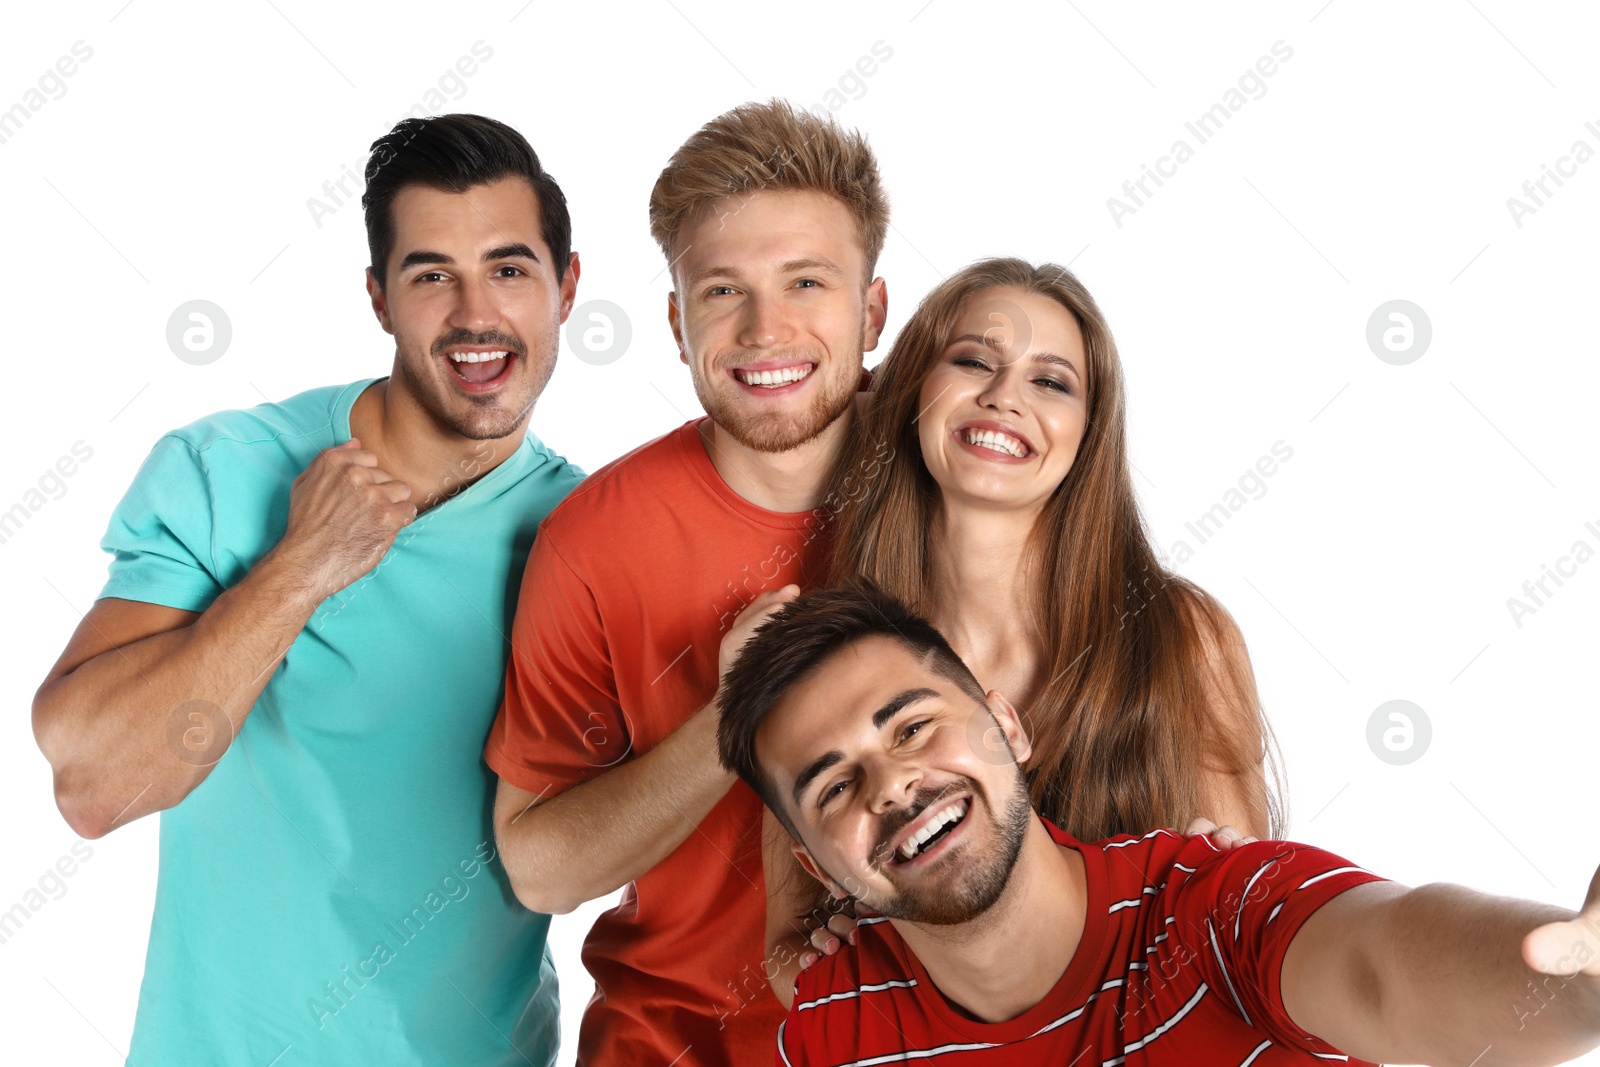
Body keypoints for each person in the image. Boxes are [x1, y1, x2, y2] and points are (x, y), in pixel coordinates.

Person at [31, 114, 582, 1065]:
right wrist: (299, 567)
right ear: (378, 298)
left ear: (566, 287)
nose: (474, 315)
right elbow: (95, 784)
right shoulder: (227, 469)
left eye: (509, 268)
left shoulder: (592, 535)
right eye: (429, 275)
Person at [718, 582, 1600, 1066]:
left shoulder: (1211, 908)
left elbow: (1386, 970)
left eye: (912, 727)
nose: (894, 783)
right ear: (818, 865)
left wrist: (1582, 981)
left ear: (1007, 725)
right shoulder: (839, 1025)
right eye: (836, 786)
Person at [482, 99, 889, 1065]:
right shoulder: (596, 539)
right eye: (720, 291)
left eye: (806, 282)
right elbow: (538, 867)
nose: (766, 329)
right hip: (674, 1043)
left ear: (871, 311)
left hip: (926, 1038)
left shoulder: (961, 489)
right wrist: (728, 722)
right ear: (675, 320)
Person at [765, 257, 1280, 995]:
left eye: (1051, 381)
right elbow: (785, 956)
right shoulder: (828, 661)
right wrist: (841, 958)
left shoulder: (1181, 636)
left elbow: (1256, 914)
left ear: (1087, 433)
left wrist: (1224, 880)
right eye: (974, 360)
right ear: (913, 392)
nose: (1005, 397)